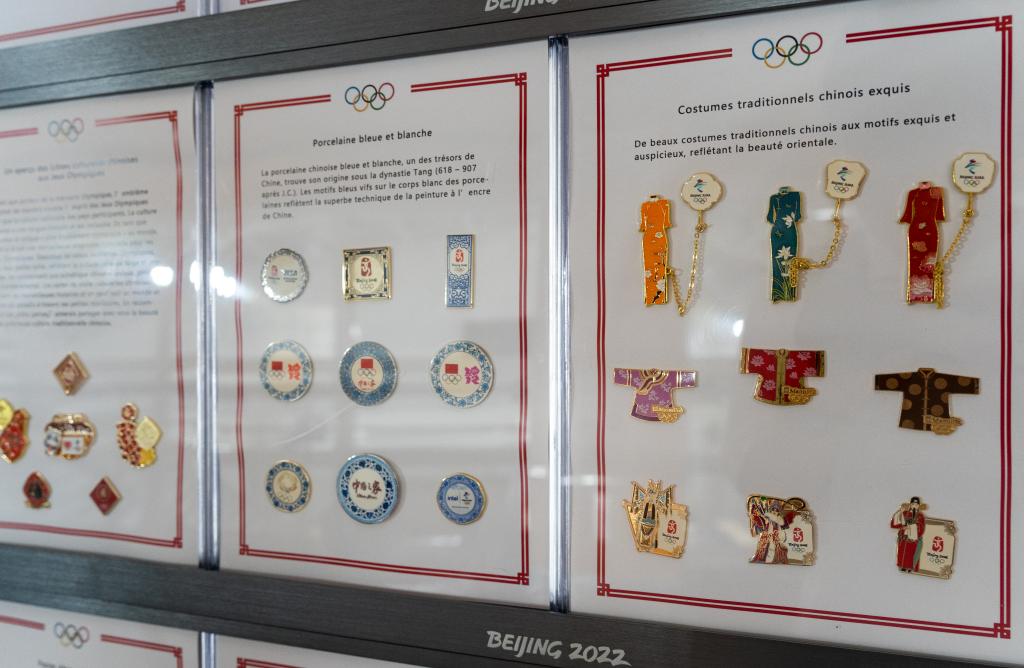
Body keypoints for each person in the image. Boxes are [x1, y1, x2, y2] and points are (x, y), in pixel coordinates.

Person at [891, 496, 926, 572]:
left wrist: (911, 527)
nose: (914, 506)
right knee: (902, 554)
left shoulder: (920, 516)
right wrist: (900, 513)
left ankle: (910, 568)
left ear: (919, 505)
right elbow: (895, 524)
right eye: (913, 504)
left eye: (916, 505)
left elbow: (921, 528)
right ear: (910, 504)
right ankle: (902, 566)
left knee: (911, 554)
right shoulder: (905, 513)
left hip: (913, 539)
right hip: (903, 539)